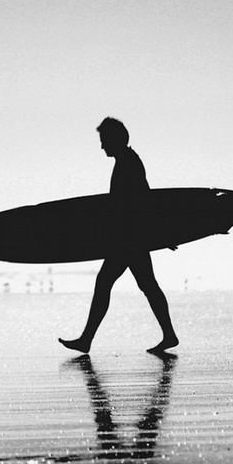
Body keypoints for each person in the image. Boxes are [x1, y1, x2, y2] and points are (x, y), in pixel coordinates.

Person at [59, 118, 179, 355]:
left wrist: (163, 234)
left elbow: (143, 201)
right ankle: (169, 334)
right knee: (147, 286)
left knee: (106, 283)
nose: (102, 147)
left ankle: (86, 340)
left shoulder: (128, 163)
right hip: (131, 237)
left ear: (116, 139)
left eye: (104, 141)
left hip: (129, 239)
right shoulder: (126, 161)